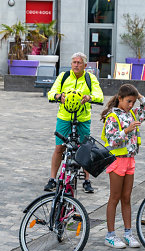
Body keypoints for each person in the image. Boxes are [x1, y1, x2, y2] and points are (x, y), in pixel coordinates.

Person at [101, 84, 145, 248]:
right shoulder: (112, 117)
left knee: (126, 198)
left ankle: (128, 233)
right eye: (128, 101)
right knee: (114, 198)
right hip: (117, 161)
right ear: (120, 99)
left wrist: (138, 95)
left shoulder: (133, 113)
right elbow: (111, 140)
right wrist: (127, 130)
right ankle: (110, 235)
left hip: (130, 160)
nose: (131, 105)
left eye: (133, 102)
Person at [44, 52, 104, 193]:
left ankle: (87, 180)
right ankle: (52, 179)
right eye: (74, 62)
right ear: (71, 64)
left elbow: (99, 95)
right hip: (64, 117)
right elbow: (51, 93)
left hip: (83, 118)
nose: (76, 65)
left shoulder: (90, 78)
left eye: (79, 62)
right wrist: (59, 96)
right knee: (59, 147)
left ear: (84, 65)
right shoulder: (64, 77)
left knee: (85, 148)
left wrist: (89, 97)